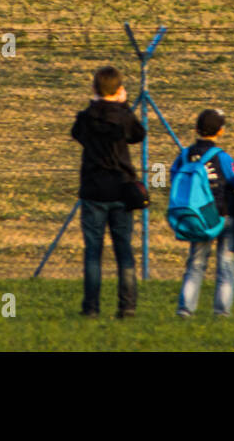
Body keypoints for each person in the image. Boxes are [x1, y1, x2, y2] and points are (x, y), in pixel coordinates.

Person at [71, 66, 145, 319]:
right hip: (122, 189)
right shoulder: (122, 117)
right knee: (124, 250)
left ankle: (91, 308)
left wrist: (95, 105)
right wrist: (123, 106)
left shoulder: (86, 117)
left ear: (94, 89)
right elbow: (138, 134)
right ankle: (127, 307)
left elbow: (76, 133)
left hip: (93, 189)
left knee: (93, 251)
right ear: (119, 89)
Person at [172, 109, 234, 318]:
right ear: (220, 131)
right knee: (226, 267)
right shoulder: (222, 157)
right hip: (224, 215)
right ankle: (221, 312)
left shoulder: (184, 155)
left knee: (196, 264)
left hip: (199, 217)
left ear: (196, 129)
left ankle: (185, 309)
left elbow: (174, 176)